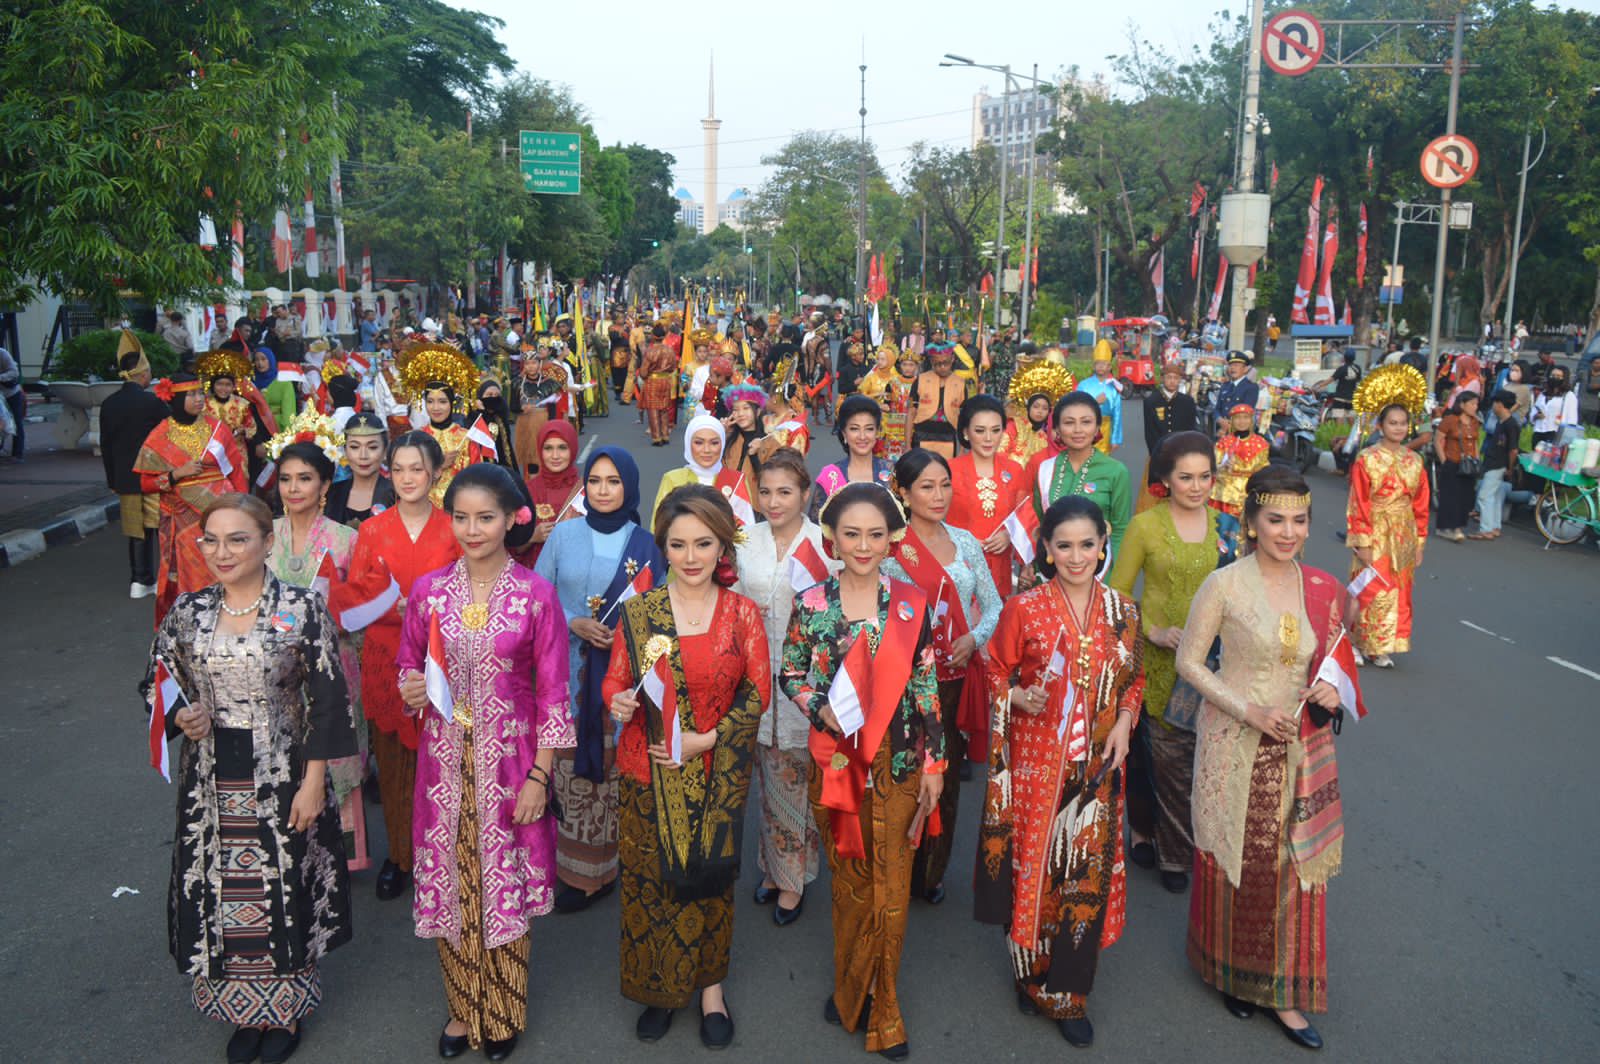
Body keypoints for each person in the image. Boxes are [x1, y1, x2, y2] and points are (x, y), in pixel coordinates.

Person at [142, 493, 356, 1064]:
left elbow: (330, 702)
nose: (221, 551)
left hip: (283, 771)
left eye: (238, 539)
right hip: (208, 779)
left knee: (282, 887)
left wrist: (315, 783)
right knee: (221, 889)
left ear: (266, 541)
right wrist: (182, 715)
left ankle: (282, 1011)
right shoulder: (187, 613)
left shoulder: (300, 609)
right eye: (210, 539)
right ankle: (242, 1010)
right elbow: (157, 685)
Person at [1177, 467, 1357, 1052]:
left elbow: (1333, 663)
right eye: (1275, 520)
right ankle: (1229, 970)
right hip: (1236, 744)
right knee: (1240, 861)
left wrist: (1331, 692)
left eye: (1299, 520)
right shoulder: (1225, 584)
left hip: (1301, 746)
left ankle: (1283, 993)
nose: (1288, 532)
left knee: (1291, 867)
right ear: (1251, 521)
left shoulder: (1323, 587)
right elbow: (1190, 663)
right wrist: (1247, 709)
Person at [396, 463, 572, 1061]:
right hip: (442, 767)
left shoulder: (535, 596)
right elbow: (408, 665)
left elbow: (553, 694)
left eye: (486, 518)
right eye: (463, 518)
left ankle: (500, 1011)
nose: (473, 529)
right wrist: (412, 689)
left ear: (511, 519)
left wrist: (541, 776)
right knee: (452, 883)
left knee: (505, 884)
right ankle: (457, 1006)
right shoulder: (428, 592)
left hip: (513, 762)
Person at [600, 486, 770, 1049]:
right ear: (663, 547)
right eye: (678, 544)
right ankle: (657, 988)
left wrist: (707, 739)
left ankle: (710, 990)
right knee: (650, 885)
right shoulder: (639, 611)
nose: (691, 556)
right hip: (647, 773)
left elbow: (757, 694)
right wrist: (618, 702)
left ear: (723, 544)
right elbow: (616, 678)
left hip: (716, 774)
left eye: (703, 543)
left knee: (711, 885)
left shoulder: (743, 613)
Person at [781, 484, 942, 1060]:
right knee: (851, 885)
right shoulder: (812, 604)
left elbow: (925, 683)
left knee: (892, 888)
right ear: (832, 538)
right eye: (852, 533)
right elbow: (790, 672)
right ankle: (851, 985)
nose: (864, 544)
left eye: (876, 533)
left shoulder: (910, 602)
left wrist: (935, 763)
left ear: (893, 537)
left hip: (899, 765)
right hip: (838, 768)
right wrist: (816, 707)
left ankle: (884, 1002)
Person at [975, 495, 1143, 1047]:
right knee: (1034, 869)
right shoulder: (1024, 608)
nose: (1076, 557)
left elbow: (1133, 680)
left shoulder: (1123, 611)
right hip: (1035, 766)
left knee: (1081, 879)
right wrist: (1016, 696)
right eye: (1063, 545)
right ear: (1046, 548)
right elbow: (993, 669)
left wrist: (1123, 721)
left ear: (1103, 546)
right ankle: (1029, 975)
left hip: (1095, 771)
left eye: (1087, 545)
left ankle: (1069, 994)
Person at [535, 448, 667, 912]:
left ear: (628, 485)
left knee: (612, 772)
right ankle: (573, 869)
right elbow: (537, 595)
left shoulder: (646, 544)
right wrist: (574, 622)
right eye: (595, 481)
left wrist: (623, 638)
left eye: (613, 481)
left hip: (619, 679)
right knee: (569, 771)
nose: (603, 490)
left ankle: (605, 868)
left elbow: (661, 613)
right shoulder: (563, 536)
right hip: (566, 673)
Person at [1109, 432, 1237, 894]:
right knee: (1153, 758)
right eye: (1186, 477)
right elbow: (1118, 594)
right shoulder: (1146, 527)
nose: (1197, 486)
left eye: (1205, 476)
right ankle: (1152, 838)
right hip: (1159, 659)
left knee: (1197, 758)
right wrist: (1153, 632)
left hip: (1214, 661)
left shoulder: (1227, 528)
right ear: (1165, 479)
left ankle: (1177, 845)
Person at [882, 448, 1001, 905]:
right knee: (905, 774)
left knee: (946, 779)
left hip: (954, 682)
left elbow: (991, 604)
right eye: (926, 487)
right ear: (905, 493)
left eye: (945, 485)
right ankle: (896, 863)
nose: (938, 495)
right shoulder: (891, 547)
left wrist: (974, 638)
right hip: (904, 687)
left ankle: (931, 870)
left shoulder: (967, 543)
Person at [347, 431, 462, 900]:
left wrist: (427, 611)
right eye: (399, 469)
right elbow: (356, 593)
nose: (408, 478)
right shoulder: (371, 530)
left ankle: (444, 856)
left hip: (443, 660)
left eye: (418, 468)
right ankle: (399, 856)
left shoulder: (454, 525)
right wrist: (387, 607)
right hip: (387, 660)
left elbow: (467, 588)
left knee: (442, 764)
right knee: (393, 763)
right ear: (387, 472)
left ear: (436, 472)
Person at [734, 448, 829, 925]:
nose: (774, 502)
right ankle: (770, 869)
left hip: (802, 681)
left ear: (806, 494)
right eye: (766, 492)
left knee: (796, 779)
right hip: (752, 675)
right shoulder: (742, 539)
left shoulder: (823, 545)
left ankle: (794, 880)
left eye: (785, 492)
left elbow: (835, 614)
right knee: (766, 781)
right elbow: (730, 599)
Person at [135, 372, 249, 624]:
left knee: (230, 567)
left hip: (224, 514)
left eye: (200, 393)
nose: (199, 399)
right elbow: (145, 483)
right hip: (184, 521)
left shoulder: (216, 428)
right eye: (191, 394)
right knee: (193, 578)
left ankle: (233, 620)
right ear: (173, 398)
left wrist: (245, 509)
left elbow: (235, 469)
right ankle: (196, 624)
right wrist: (176, 474)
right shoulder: (160, 435)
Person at [1346, 404, 1430, 668]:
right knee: (1370, 588)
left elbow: (1421, 505)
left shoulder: (1415, 461)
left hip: (1403, 533)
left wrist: (1418, 543)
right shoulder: (1367, 459)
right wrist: (1362, 541)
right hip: (1376, 530)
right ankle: (1354, 641)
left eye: (1403, 423)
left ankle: (1380, 646)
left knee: (1398, 592)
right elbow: (1359, 502)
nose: (1398, 428)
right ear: (1381, 426)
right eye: (1392, 423)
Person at [102, 346, 170, 598]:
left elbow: (106, 445)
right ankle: (159, 577)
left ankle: (139, 580)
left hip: (124, 477)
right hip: (152, 474)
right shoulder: (153, 403)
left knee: (135, 529)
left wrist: (112, 479)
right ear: (142, 374)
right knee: (157, 526)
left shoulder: (109, 403)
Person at [1031, 392, 1132, 557]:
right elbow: (1038, 524)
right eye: (1069, 423)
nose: (1078, 430)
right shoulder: (1046, 469)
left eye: (1086, 422)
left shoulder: (1116, 471)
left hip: (1099, 572)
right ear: (1056, 428)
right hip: (1053, 570)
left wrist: (1117, 581)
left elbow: (1121, 531)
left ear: (1098, 427)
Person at [948, 395, 1027, 597]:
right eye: (980, 431)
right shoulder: (948, 471)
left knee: (996, 624)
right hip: (958, 567)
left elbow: (1025, 518)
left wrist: (1009, 536)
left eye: (995, 430)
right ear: (965, 432)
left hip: (998, 571)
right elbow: (931, 521)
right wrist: (963, 540)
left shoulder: (1015, 470)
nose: (989, 438)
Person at [807, 395, 896, 522]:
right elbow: (816, 527)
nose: (862, 436)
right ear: (844, 433)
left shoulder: (893, 471)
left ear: (877, 432)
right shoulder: (831, 476)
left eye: (869, 429)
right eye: (854, 429)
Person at [650, 413, 734, 527]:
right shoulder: (673, 479)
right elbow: (659, 526)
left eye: (714, 443)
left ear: (723, 444)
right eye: (699, 442)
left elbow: (747, 533)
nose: (706, 450)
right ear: (688, 443)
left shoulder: (736, 480)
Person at [521, 419, 582, 566]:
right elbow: (510, 546)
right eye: (548, 448)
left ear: (572, 449)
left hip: (579, 577)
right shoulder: (527, 490)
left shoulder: (585, 489)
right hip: (538, 579)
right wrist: (532, 537)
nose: (555, 456)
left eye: (562, 448)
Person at [323, 413, 395, 529]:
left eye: (372, 447)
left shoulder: (397, 495)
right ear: (345, 450)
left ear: (385, 451)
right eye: (354, 447)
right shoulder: (330, 494)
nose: (363, 456)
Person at [1470, 391, 1521, 540]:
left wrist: (1510, 468)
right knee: (1496, 496)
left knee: (1484, 496)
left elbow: (1513, 450)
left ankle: (1486, 529)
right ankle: (1494, 526)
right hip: (1495, 462)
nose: (1493, 406)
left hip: (1498, 464)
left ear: (1500, 404)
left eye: (1494, 403)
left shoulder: (1511, 425)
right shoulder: (1502, 422)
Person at [1433, 392, 1481, 542]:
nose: (1475, 407)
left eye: (1476, 404)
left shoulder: (1475, 422)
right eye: (1472, 404)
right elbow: (1438, 440)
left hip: (1469, 464)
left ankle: (1458, 526)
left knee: (1466, 497)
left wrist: (1476, 458)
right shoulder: (1450, 420)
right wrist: (1444, 460)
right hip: (1453, 462)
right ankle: (1446, 528)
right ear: (1462, 404)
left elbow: (1475, 442)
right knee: (1450, 497)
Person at [910, 343, 970, 458]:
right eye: (938, 364)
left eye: (946, 363)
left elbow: (964, 417)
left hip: (948, 437)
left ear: (952, 359)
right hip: (922, 435)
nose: (942, 367)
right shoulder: (920, 380)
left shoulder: (961, 383)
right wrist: (907, 443)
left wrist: (963, 447)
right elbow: (911, 411)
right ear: (932, 362)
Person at [1211, 404, 1270, 518]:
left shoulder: (1261, 443)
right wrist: (1224, 467)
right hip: (1226, 494)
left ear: (1251, 420)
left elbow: (1264, 470)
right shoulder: (1224, 442)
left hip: (1251, 493)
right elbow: (1214, 467)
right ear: (1232, 420)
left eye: (1246, 417)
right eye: (1238, 417)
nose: (1242, 421)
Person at [1078, 342, 1124, 453]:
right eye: (1098, 364)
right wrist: (1094, 402)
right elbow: (1076, 407)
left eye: (1104, 364)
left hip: (1105, 430)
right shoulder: (1083, 385)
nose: (1101, 366)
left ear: (1109, 366)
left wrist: (1115, 439)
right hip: (1085, 427)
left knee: (1102, 462)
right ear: (1093, 366)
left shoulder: (1113, 388)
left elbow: (1117, 415)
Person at [639, 325, 680, 446]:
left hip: (653, 381)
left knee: (653, 410)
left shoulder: (650, 351)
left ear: (653, 336)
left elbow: (643, 372)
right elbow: (673, 367)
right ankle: (665, 435)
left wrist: (645, 376)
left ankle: (657, 437)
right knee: (664, 409)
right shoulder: (669, 350)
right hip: (666, 381)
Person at [474, 379, 518, 473]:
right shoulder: (474, 417)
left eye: (497, 395)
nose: (493, 398)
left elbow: (508, 448)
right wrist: (482, 411)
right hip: (483, 468)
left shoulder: (501, 417)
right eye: (489, 395)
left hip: (502, 466)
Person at [1213, 353, 1260, 432]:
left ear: (1245, 369)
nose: (1232, 368)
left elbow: (1246, 412)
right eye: (1230, 365)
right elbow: (1217, 409)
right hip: (1221, 429)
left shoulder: (1251, 387)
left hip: (1239, 432)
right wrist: (1220, 420)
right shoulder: (1225, 386)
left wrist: (1228, 426)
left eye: (1236, 365)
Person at [1531, 369, 1579, 447]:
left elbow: (1572, 420)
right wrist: (1536, 416)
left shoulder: (1569, 396)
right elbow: (1534, 410)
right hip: (1539, 431)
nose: (1554, 378)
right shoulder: (1543, 394)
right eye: (1552, 375)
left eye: (1558, 376)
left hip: (1555, 432)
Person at [0, 344, 24, 460]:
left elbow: (14, 372)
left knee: (16, 422)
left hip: (11, 393)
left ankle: (18, 453)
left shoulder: (2, 353)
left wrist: (1, 377)